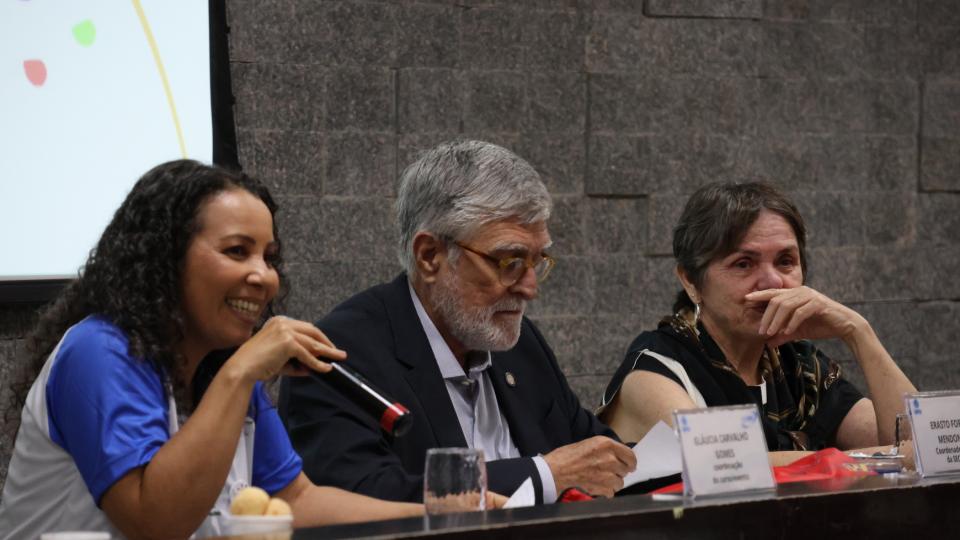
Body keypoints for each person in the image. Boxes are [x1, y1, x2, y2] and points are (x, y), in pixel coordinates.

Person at [0, 160, 424, 539]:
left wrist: (441, 517)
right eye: (237, 251)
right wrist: (241, 373)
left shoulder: (224, 366)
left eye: (269, 257)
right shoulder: (101, 351)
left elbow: (294, 500)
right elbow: (155, 524)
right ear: (166, 258)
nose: (264, 276)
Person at [280, 140, 636, 504]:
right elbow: (364, 496)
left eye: (536, 260)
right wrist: (544, 475)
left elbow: (594, 455)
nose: (530, 288)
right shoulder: (340, 353)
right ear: (429, 256)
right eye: (509, 261)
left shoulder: (518, 342)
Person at [598, 182, 917, 464]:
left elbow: (915, 446)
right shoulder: (655, 369)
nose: (772, 281)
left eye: (785, 261)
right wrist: (877, 459)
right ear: (690, 281)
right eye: (743, 264)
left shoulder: (798, 364)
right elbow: (731, 468)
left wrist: (857, 332)